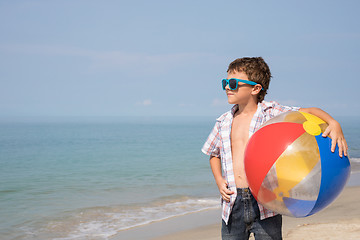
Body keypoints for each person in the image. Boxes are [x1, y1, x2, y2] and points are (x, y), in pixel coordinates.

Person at [201, 57, 348, 240]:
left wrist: (333, 123)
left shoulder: (271, 113)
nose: (227, 87)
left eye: (233, 83)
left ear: (255, 88)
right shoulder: (223, 121)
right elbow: (214, 153)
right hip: (232, 203)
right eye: (225, 82)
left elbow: (308, 112)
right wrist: (218, 179)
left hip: (267, 201)